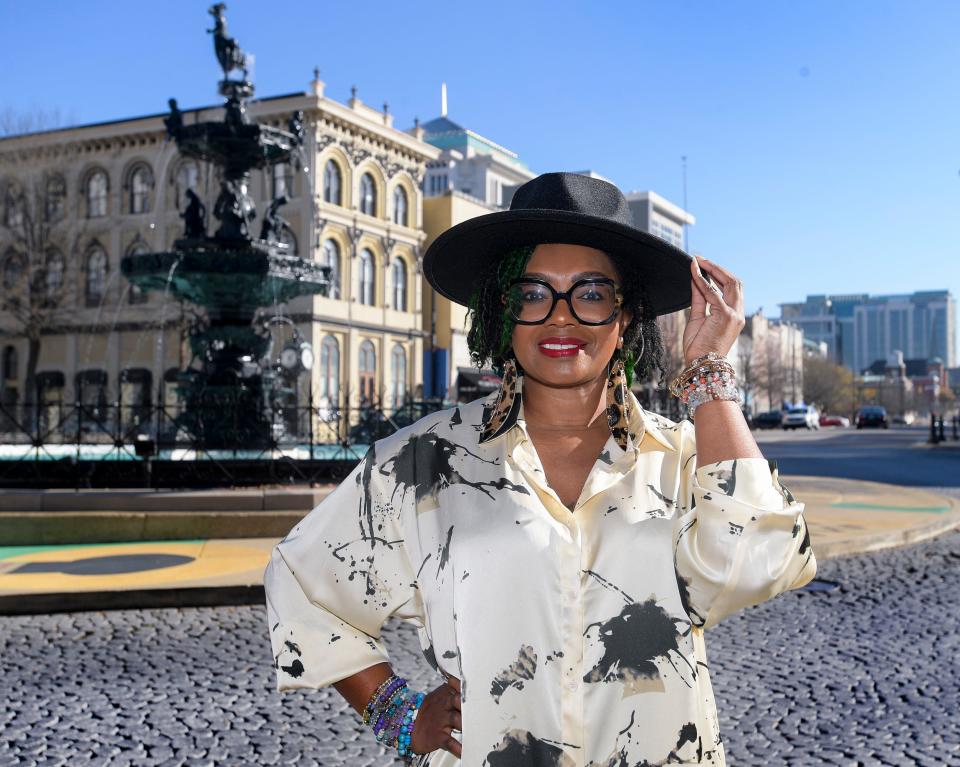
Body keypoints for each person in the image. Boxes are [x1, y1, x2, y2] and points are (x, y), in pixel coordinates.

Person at [264, 172, 817, 766]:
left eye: (591, 292)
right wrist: (396, 713)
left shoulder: (684, 459)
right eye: (532, 293)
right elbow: (304, 583)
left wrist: (709, 376)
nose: (560, 316)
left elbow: (758, 564)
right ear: (504, 311)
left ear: (626, 314)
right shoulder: (422, 462)